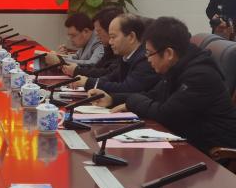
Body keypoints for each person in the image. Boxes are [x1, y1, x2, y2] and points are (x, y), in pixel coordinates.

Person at [89, 17, 236, 153]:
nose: (147, 59)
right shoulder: (179, 65)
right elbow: (154, 95)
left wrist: (131, 102)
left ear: (168, 53)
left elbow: (166, 114)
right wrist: (112, 99)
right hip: (186, 142)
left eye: (149, 53)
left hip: (211, 154)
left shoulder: (199, 75)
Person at [73, 14, 160, 94]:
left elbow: (127, 88)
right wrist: (87, 80)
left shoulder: (145, 60)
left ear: (131, 37)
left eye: (113, 37)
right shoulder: (126, 56)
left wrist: (89, 83)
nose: (110, 42)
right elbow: (111, 77)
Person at [62, 7, 123, 78]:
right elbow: (98, 67)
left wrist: (62, 62)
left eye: (99, 31)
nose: (97, 35)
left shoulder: (100, 43)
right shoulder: (108, 48)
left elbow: (104, 72)